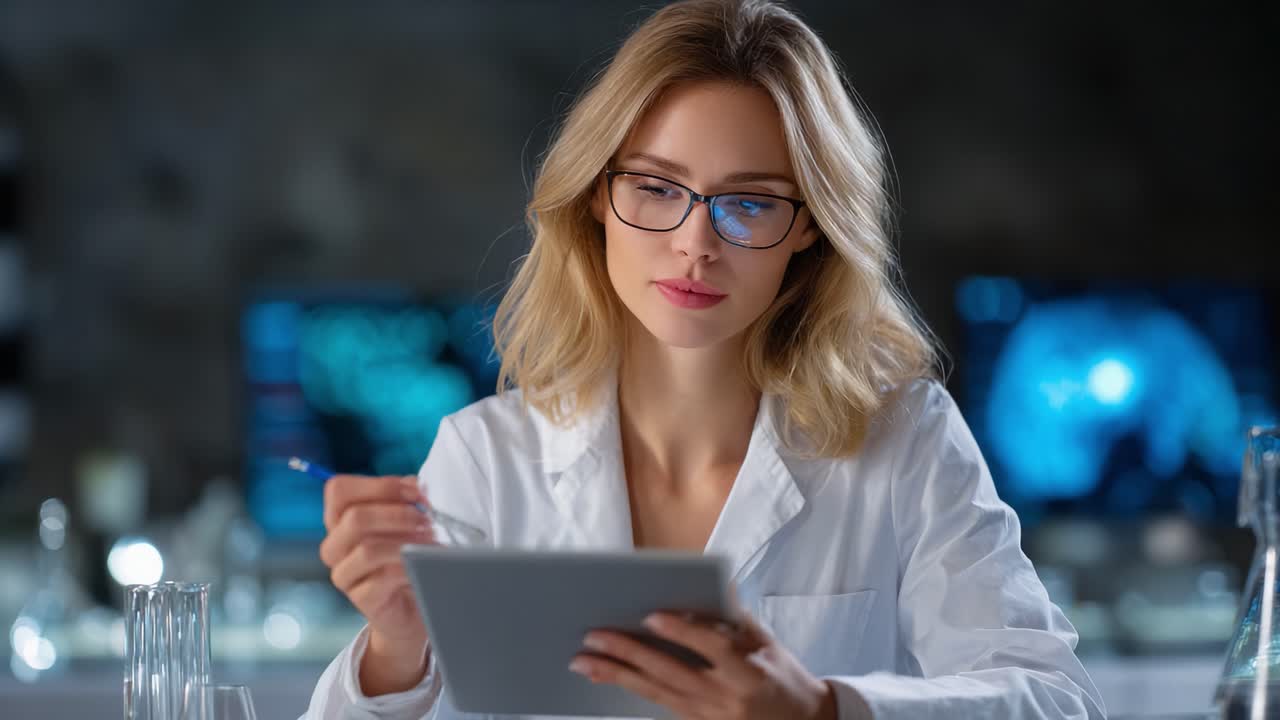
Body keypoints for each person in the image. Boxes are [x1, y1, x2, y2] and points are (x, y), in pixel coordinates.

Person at [303, 1, 1105, 718]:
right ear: (595, 198)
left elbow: (1058, 701)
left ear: (810, 229)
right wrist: (394, 651)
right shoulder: (485, 458)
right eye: (655, 188)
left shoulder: (905, 440)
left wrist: (826, 710)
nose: (694, 245)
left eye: (750, 202)